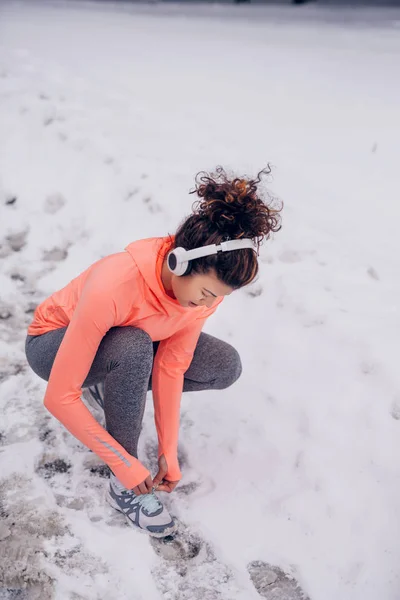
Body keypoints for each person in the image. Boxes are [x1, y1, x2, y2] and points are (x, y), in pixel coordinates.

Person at [25, 166, 282, 538]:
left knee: (224, 365)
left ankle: (109, 384)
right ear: (179, 261)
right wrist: (125, 464)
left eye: (218, 298)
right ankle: (123, 487)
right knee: (133, 345)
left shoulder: (200, 299)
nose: (207, 304)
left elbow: (171, 367)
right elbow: (59, 397)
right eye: (207, 293)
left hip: (121, 345)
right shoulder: (114, 285)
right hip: (52, 345)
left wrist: (168, 450)